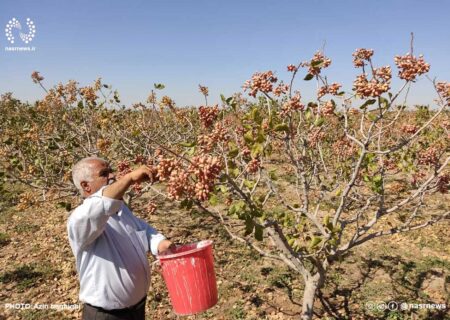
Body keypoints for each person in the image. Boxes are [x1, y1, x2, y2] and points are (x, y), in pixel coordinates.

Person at [67, 156, 172, 320]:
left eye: (110, 171)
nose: (112, 176)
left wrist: (159, 243)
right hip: (106, 315)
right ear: (86, 186)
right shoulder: (80, 219)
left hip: (136, 309)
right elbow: (101, 204)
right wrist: (129, 178)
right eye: (104, 174)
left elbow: (142, 230)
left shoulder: (120, 209)